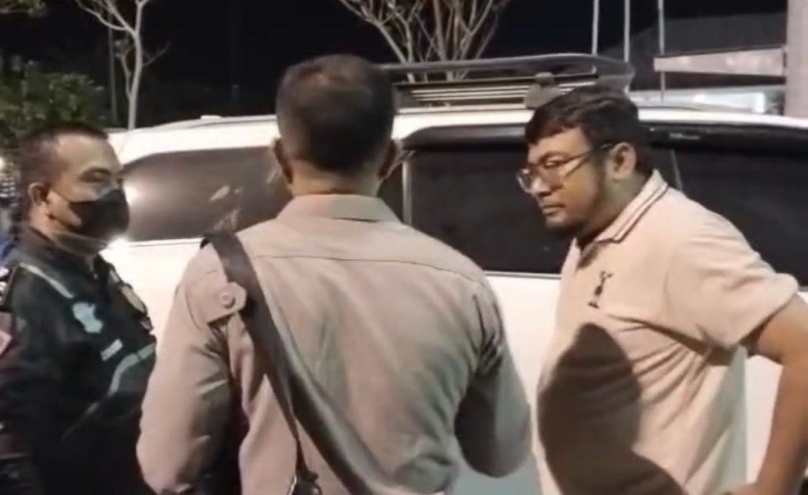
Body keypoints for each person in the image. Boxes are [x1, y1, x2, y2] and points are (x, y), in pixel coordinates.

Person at [137, 54, 532, 494]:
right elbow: (500, 455)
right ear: (390, 157)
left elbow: (167, 465)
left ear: (279, 156)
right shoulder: (462, 282)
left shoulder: (218, 275)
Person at [524, 86, 808, 495]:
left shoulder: (681, 239)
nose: (539, 186)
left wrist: (774, 487)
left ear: (620, 161)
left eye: (554, 165)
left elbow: (804, 344)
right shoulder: (597, 229)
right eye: (532, 171)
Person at [0, 122, 156, 495]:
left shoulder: (95, 272)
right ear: (43, 196)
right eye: (96, 180)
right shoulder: (15, 301)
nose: (114, 193)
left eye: (118, 180)